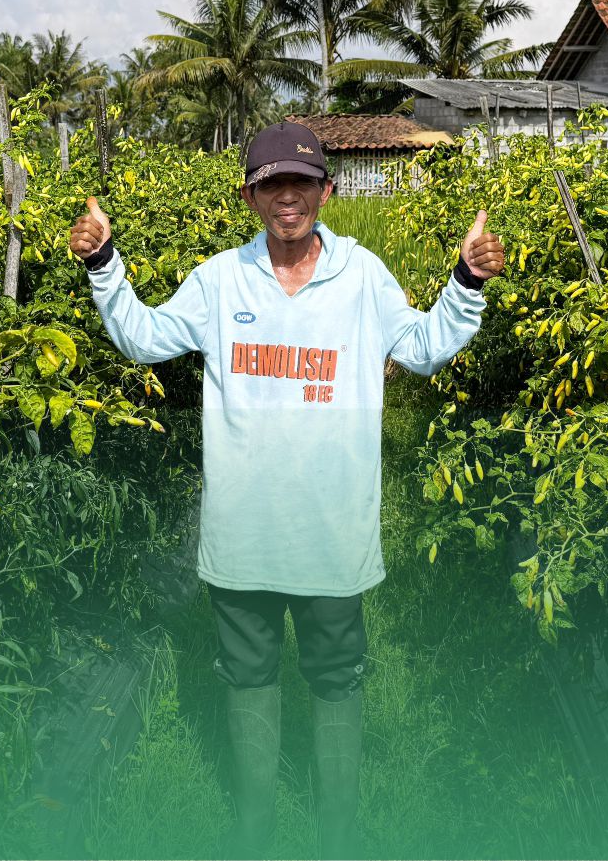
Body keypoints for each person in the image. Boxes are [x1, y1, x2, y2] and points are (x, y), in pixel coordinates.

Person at [68, 121, 504, 859]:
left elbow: (424, 349)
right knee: (248, 671)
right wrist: (104, 263)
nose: (288, 196)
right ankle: (254, 829)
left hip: (333, 527)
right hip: (244, 527)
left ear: (327, 190)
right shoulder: (219, 280)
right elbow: (143, 336)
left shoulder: (363, 276)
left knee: (336, 674)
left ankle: (337, 832)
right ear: (250, 197)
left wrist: (465, 282)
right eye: (271, 184)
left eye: (301, 182)